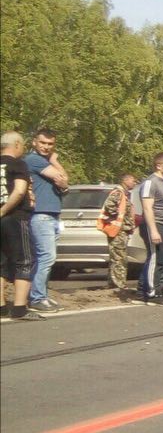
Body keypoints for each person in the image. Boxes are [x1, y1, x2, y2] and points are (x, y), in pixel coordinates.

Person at [24, 128, 68, 313]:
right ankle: (37, 297)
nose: (46, 147)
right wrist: (55, 160)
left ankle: (40, 294)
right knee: (47, 257)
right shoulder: (33, 159)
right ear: (34, 141)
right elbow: (62, 178)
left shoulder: (43, 161)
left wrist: (63, 182)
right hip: (41, 214)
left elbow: (64, 183)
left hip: (51, 214)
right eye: (43, 143)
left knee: (44, 258)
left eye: (50, 144)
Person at [2, 132, 44, 320]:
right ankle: (20, 309)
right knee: (25, 260)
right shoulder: (17, 164)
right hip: (15, 217)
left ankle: (1, 307)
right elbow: (19, 191)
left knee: (1, 262)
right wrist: (4, 210)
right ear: (17, 144)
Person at [137, 152, 163, 306]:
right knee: (155, 258)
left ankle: (142, 291)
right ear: (159, 166)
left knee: (159, 259)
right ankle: (153, 294)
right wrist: (153, 230)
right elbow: (147, 208)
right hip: (154, 224)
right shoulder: (150, 182)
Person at [101, 174, 138, 292]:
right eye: (133, 180)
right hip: (117, 230)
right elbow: (109, 207)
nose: (135, 183)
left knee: (118, 257)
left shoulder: (125, 194)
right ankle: (118, 285)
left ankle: (114, 283)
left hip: (122, 230)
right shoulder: (118, 193)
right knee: (119, 258)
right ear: (125, 180)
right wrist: (120, 220)